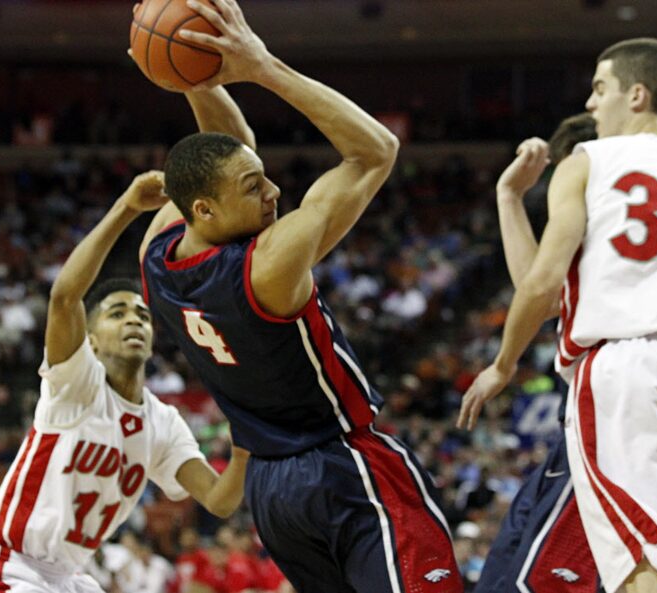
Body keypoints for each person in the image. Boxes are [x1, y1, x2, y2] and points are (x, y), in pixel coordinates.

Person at [138, 1, 461, 592]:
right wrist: (261, 66)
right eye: (253, 186)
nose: (275, 190)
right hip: (343, 466)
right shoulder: (269, 263)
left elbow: (226, 143)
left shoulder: (157, 254)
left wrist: (195, 77)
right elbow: (376, 150)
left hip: (272, 492)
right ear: (206, 209)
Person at [457, 38, 657, 593]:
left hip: (634, 370)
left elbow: (543, 282)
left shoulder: (588, 160)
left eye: (599, 88)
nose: (590, 102)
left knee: (645, 571)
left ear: (636, 95)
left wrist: (505, 362)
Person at [0, 171, 250, 593]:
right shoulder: (78, 383)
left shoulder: (163, 423)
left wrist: (245, 437)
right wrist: (127, 208)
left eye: (142, 315)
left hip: (71, 579)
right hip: (12, 566)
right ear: (90, 341)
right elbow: (64, 297)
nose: (133, 319)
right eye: (117, 313)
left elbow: (221, 500)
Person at [474, 113, 603, 593]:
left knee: (540, 580)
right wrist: (509, 198)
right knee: (506, 573)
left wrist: (503, 364)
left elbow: (541, 295)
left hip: (606, 415)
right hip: (578, 423)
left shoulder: (609, 211)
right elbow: (541, 290)